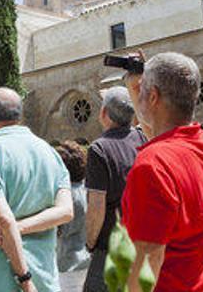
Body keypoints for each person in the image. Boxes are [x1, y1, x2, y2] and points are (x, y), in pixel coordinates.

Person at [121, 52, 203, 292]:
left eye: (145, 91)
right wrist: (136, 89)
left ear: (154, 96)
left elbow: (148, 262)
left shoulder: (151, 165)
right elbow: (159, 133)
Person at [0, 87, 73, 292]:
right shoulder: (50, 153)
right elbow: (66, 212)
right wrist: (23, 226)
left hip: (0, 278)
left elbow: (5, 220)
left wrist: (25, 279)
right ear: (20, 115)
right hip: (44, 275)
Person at [84, 86, 145, 292]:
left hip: (111, 247)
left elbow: (96, 206)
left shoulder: (99, 149)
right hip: (142, 240)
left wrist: (90, 242)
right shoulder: (141, 138)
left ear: (103, 114)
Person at [54, 141, 90, 289]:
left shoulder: (67, 197)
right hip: (85, 261)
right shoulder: (86, 189)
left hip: (67, 265)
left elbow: (61, 232)